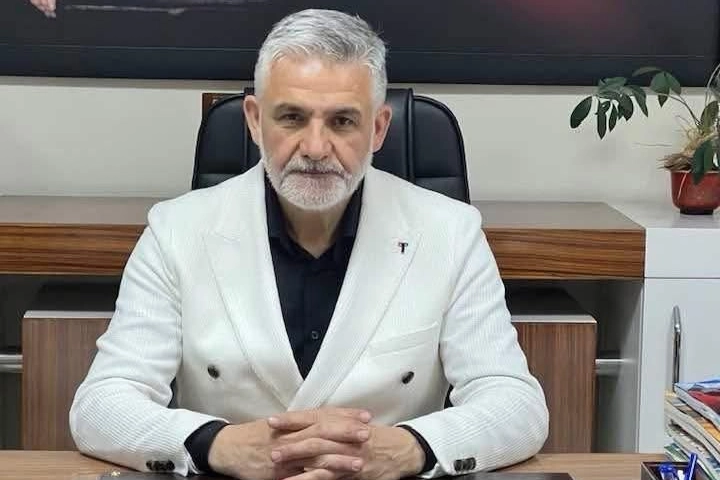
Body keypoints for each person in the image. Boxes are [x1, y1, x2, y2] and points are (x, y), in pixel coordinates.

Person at [69, 8, 548, 480]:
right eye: (292, 118)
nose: (316, 148)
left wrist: (410, 450)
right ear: (255, 121)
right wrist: (218, 445)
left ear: (378, 128)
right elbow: (101, 404)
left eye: (342, 122)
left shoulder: (450, 232)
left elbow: (515, 404)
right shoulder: (177, 230)